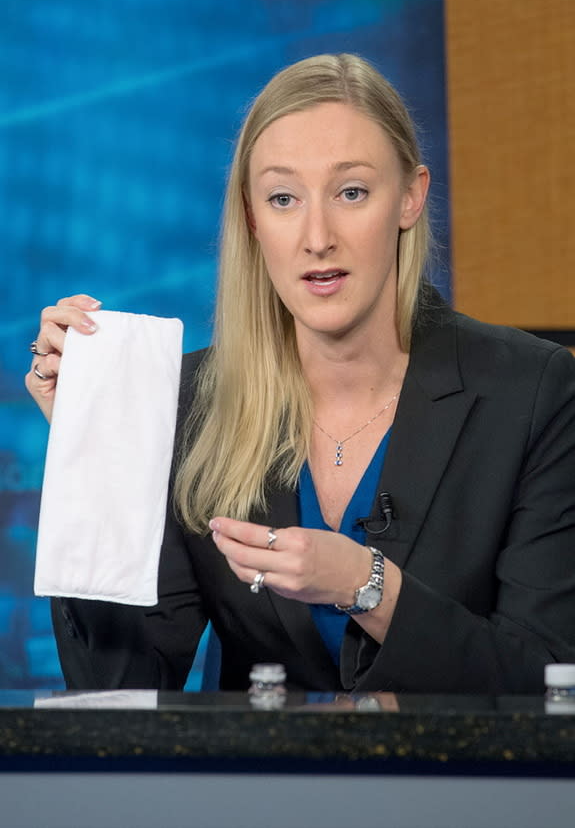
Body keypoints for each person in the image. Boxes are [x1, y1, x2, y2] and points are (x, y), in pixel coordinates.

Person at [26, 53, 575, 694]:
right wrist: (95, 454)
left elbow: (550, 680)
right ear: (254, 220)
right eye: (284, 198)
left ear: (409, 197)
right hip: (259, 792)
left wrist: (367, 587)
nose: (318, 236)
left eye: (351, 192)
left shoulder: (534, 392)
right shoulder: (188, 403)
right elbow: (120, 685)